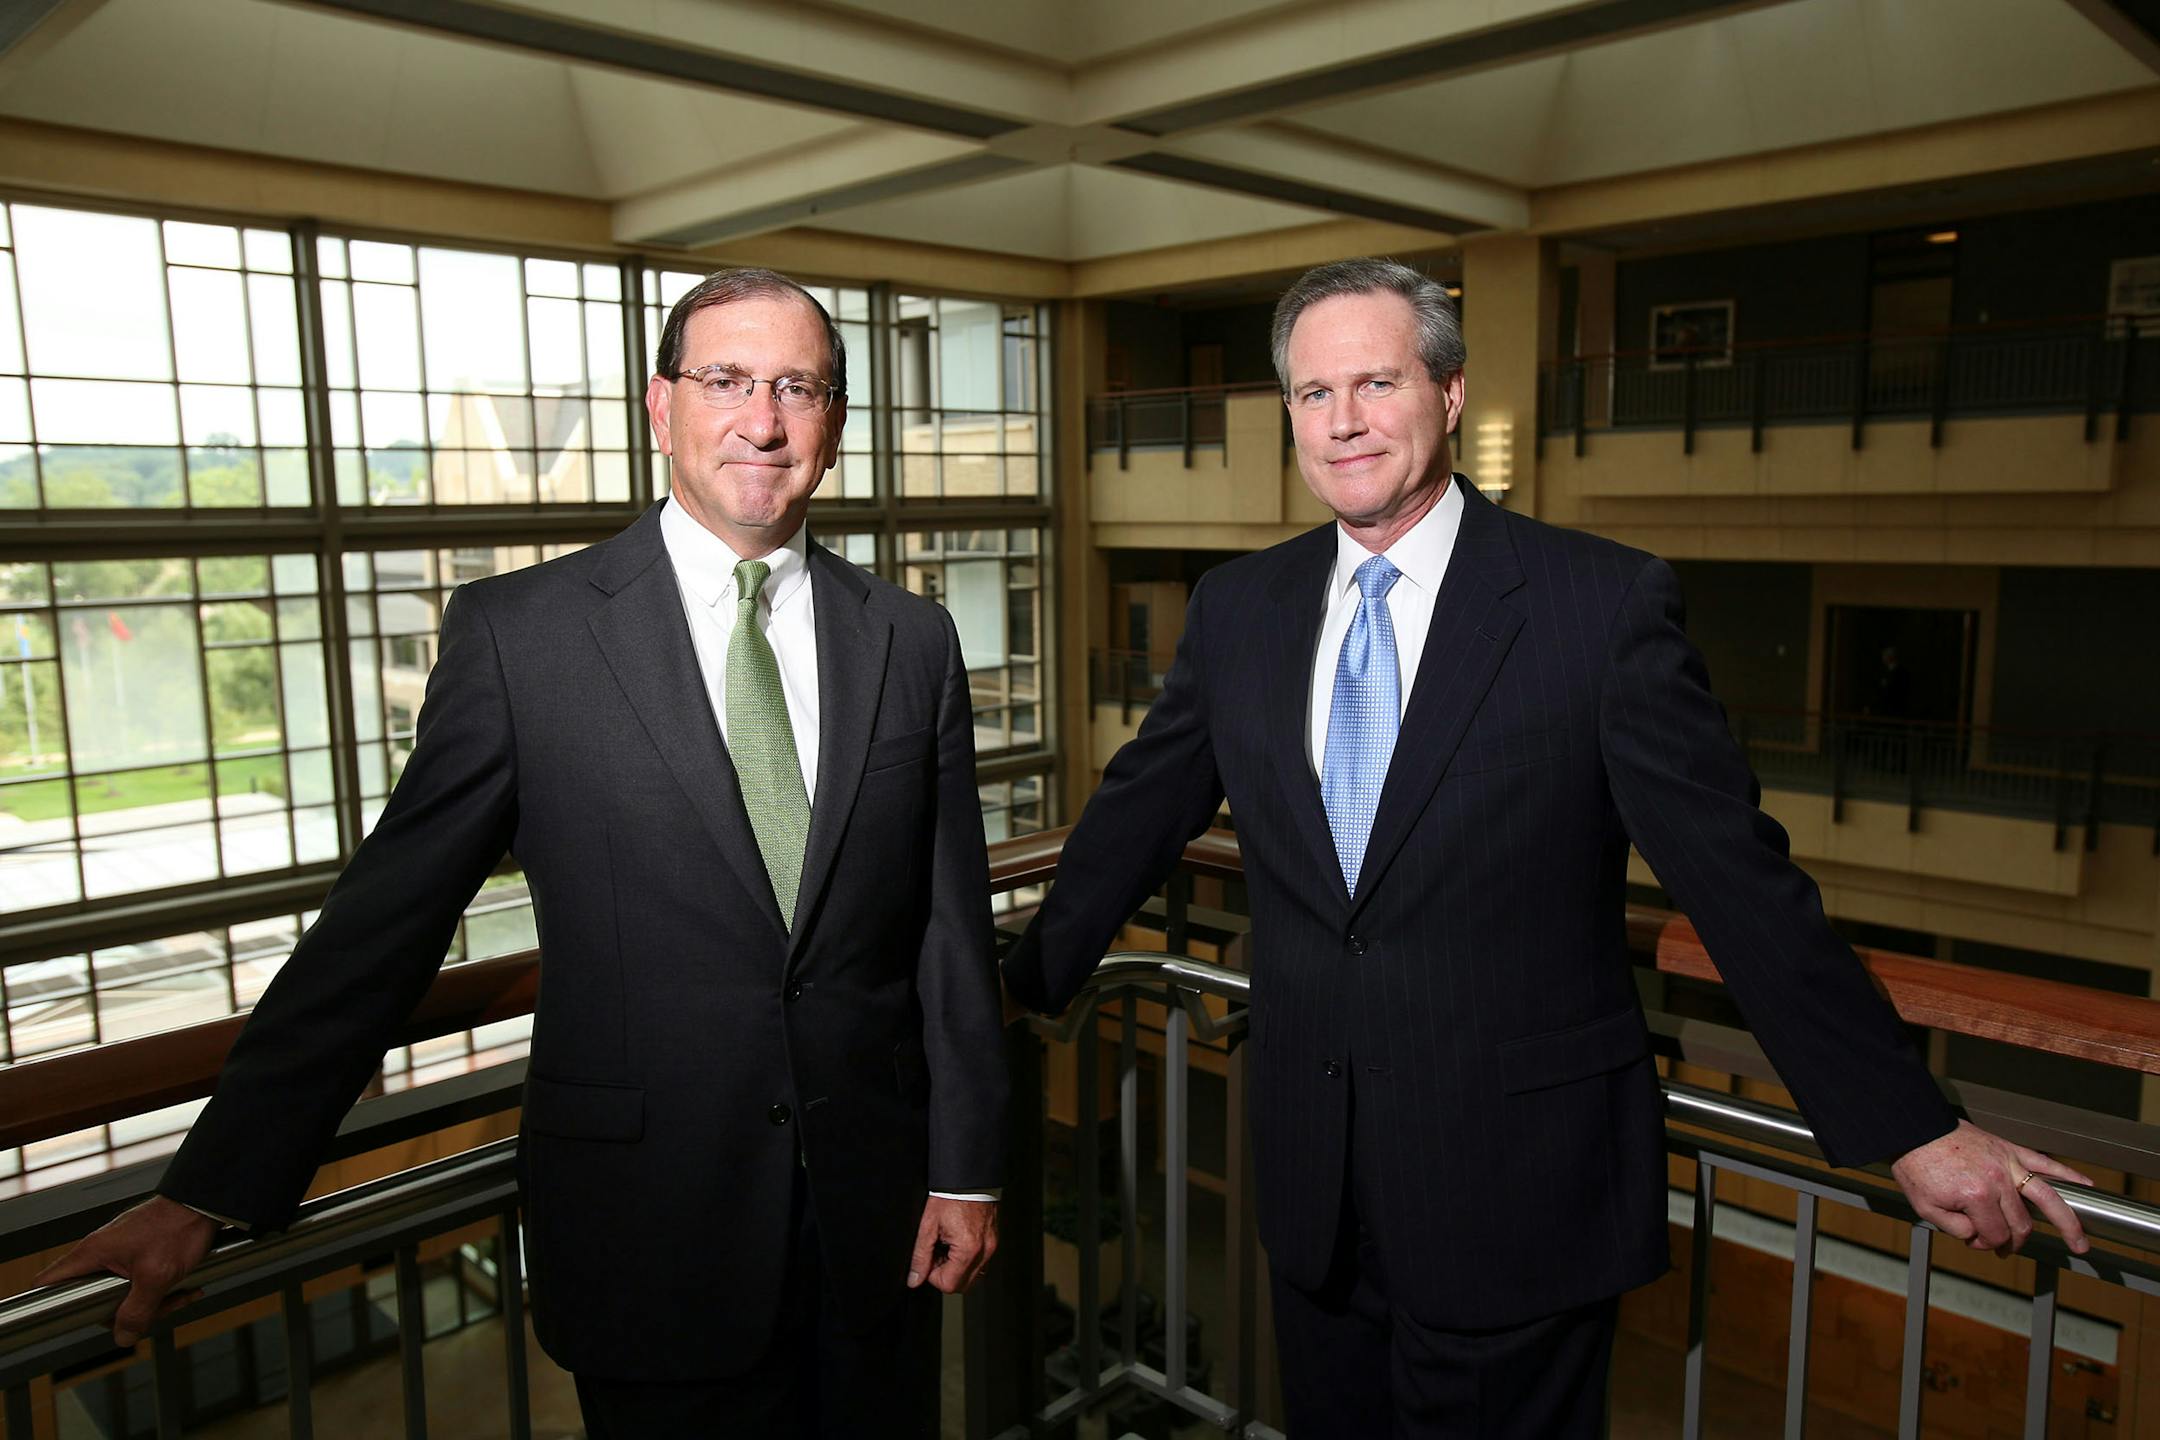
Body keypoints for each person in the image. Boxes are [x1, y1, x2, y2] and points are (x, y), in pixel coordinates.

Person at [1000, 259, 2089, 1437]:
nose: (1345, 421)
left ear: (1452, 394)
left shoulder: (1597, 606)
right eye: (1314, 394)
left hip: (1514, 1203)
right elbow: (1132, 821)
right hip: (1316, 1195)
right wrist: (1006, 994)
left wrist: (1909, 1123)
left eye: (1377, 381)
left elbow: (1737, 880)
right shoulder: (1240, 609)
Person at [38, 268, 1007, 1437]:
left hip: (878, 1227)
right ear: (662, 407)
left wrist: (966, 1165)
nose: (763, 419)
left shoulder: (911, 638)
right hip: (651, 1237)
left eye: (797, 386)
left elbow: (950, 931)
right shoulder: (522, 638)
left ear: (836, 423)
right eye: (728, 381)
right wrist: (209, 1186)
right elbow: (382, 932)